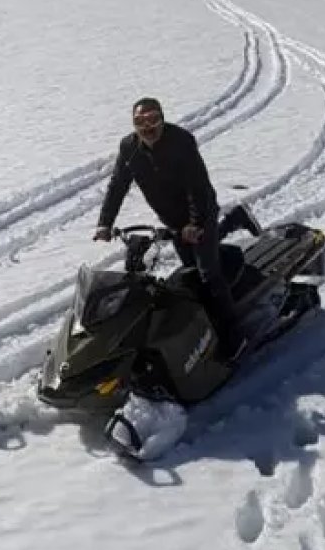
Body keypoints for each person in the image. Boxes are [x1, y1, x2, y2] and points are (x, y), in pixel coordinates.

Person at [93, 97, 247, 361]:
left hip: (200, 213)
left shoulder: (181, 142)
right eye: (140, 121)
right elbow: (118, 185)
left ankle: (234, 335)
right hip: (173, 220)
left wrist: (196, 224)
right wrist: (105, 223)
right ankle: (235, 220)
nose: (147, 126)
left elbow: (197, 187)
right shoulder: (129, 147)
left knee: (208, 274)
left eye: (153, 119)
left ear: (162, 118)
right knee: (191, 269)